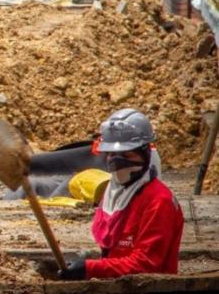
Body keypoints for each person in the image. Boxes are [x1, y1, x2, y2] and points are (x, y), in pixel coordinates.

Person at [58, 109, 184, 280]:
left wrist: (90, 268)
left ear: (145, 154)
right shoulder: (114, 193)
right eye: (111, 154)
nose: (116, 161)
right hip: (117, 286)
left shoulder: (158, 201)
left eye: (126, 155)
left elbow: (146, 264)